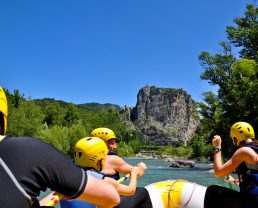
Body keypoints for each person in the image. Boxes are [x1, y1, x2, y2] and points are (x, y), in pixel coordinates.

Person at [0, 87, 120, 208]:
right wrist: (135, 171)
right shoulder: (28, 149)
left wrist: (56, 194)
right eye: (112, 142)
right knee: (140, 193)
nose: (114, 146)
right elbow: (113, 198)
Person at [60, 136, 152, 208]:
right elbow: (131, 191)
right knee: (142, 192)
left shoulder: (65, 179)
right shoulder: (104, 180)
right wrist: (134, 174)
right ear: (99, 160)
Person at [204, 121, 258, 208]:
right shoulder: (255, 150)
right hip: (253, 200)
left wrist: (217, 147)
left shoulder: (244, 151)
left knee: (212, 191)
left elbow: (218, 173)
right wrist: (235, 181)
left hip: (252, 203)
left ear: (235, 139)